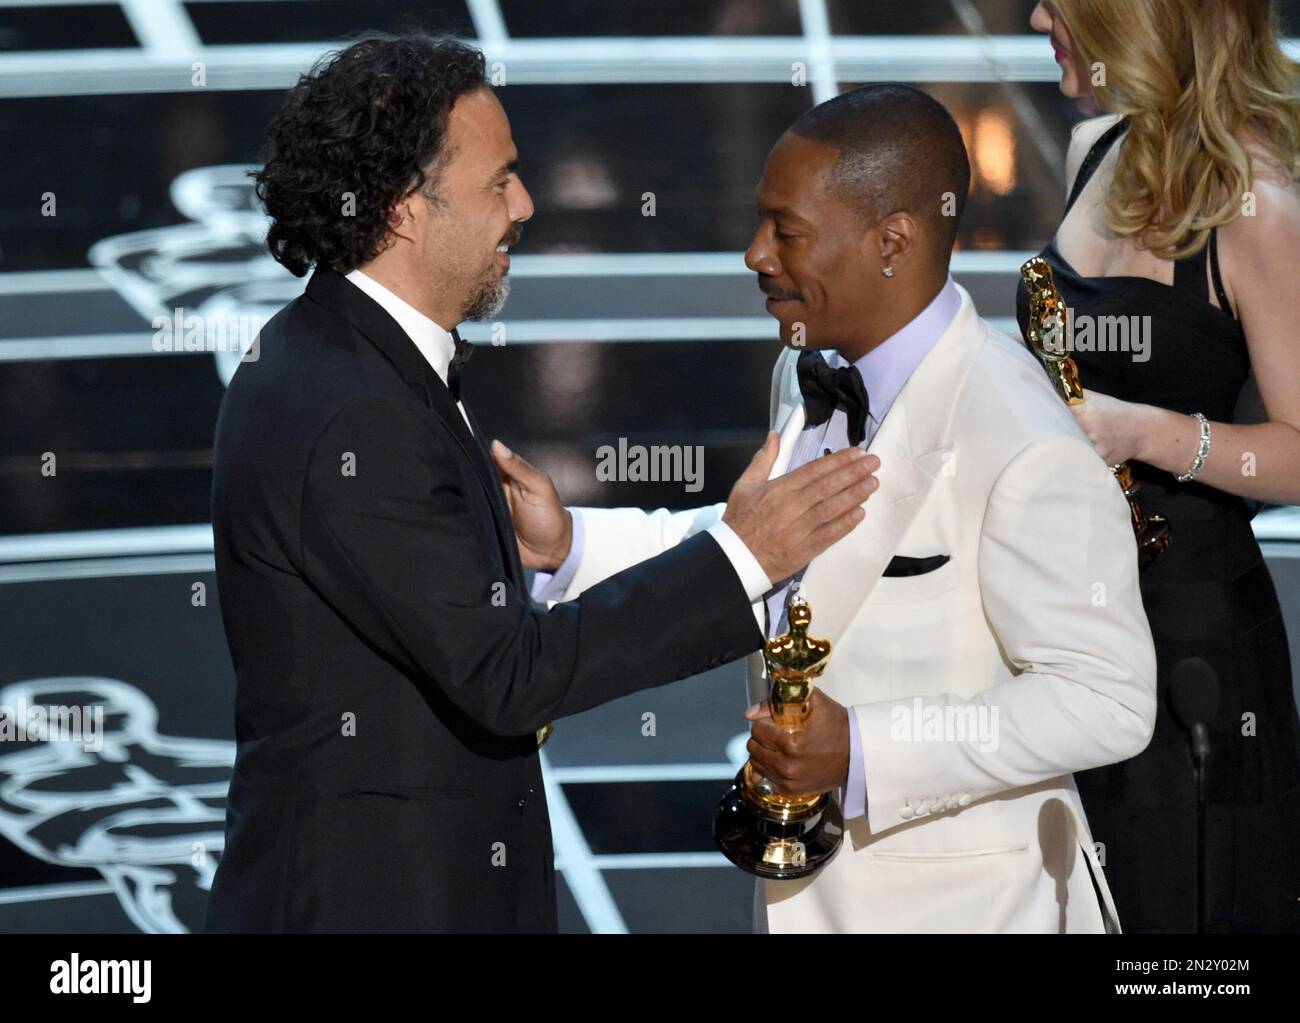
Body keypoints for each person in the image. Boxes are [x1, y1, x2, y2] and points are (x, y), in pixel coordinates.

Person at [204, 33, 878, 934]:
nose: (524, 204)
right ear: (404, 208)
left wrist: (543, 546)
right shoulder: (353, 406)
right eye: (499, 181)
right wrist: (739, 558)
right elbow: (506, 675)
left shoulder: (344, 359)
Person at [502, 83, 1158, 933]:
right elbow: (771, 541)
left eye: (786, 230)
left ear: (893, 241)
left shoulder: (1021, 438)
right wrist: (577, 542)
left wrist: (867, 749)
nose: (753, 254)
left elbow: (1108, 697)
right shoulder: (807, 373)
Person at [1020, 0, 1300, 932]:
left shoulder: (1257, 208)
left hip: (1189, 648)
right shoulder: (1096, 148)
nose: (1033, 18)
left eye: (1059, 3)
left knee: (1179, 926)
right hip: (1065, 615)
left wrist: (1147, 432)